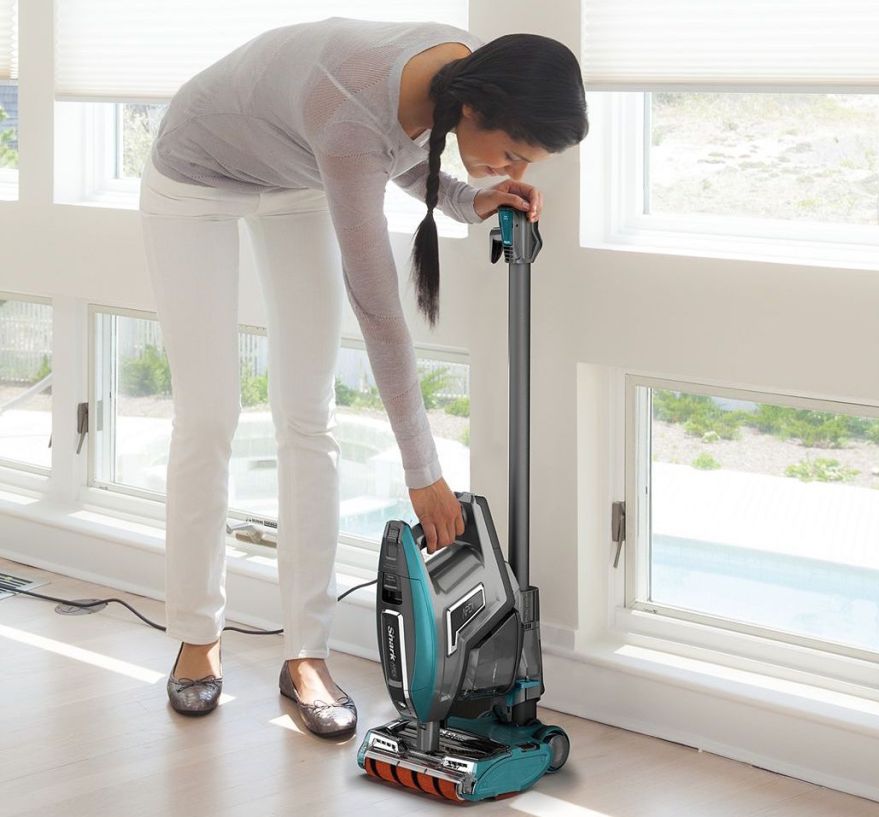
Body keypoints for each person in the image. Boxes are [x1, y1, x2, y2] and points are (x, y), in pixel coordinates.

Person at [139, 17, 588, 738]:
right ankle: (198, 637)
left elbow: (402, 152)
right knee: (210, 412)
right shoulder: (348, 107)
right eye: (509, 154)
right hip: (197, 172)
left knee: (306, 412)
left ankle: (305, 655)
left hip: (298, 172)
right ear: (475, 108)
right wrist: (424, 469)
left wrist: (471, 199)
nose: (513, 171)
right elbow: (379, 309)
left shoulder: (459, 74)